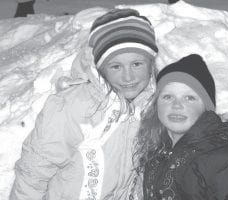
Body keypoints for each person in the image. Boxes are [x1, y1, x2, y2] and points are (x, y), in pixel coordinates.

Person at [10, 8, 158, 200]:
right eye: (116, 66)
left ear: (150, 64)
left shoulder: (151, 106)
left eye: (137, 64)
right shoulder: (73, 107)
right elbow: (34, 170)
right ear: (100, 67)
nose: (128, 76)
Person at [136, 54, 228, 200]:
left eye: (189, 98)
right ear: (156, 105)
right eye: (168, 97)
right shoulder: (158, 149)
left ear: (206, 107)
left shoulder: (223, 155)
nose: (177, 105)